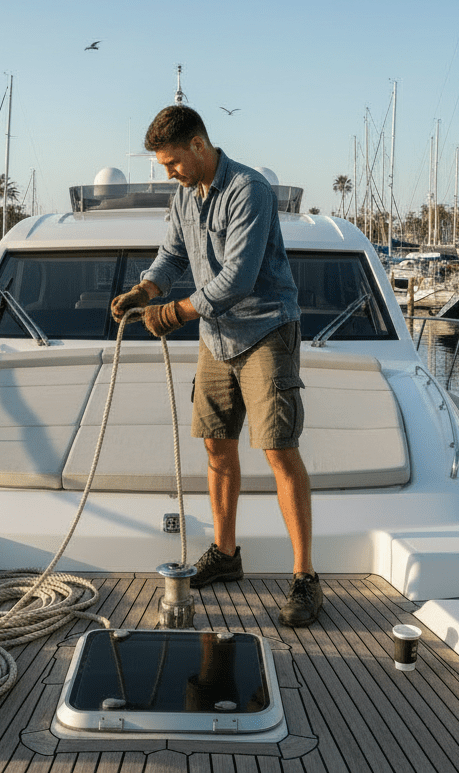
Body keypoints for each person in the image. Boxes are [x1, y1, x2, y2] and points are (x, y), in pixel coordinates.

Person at [110, 105, 322, 627]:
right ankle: (225, 556)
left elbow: (238, 279)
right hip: (216, 339)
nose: (169, 174)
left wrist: (173, 312)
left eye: (173, 162)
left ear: (200, 146)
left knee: (278, 449)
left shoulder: (249, 190)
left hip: (266, 329)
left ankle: (304, 577)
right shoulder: (185, 196)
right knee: (216, 445)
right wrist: (146, 288)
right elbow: (173, 255)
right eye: (164, 166)